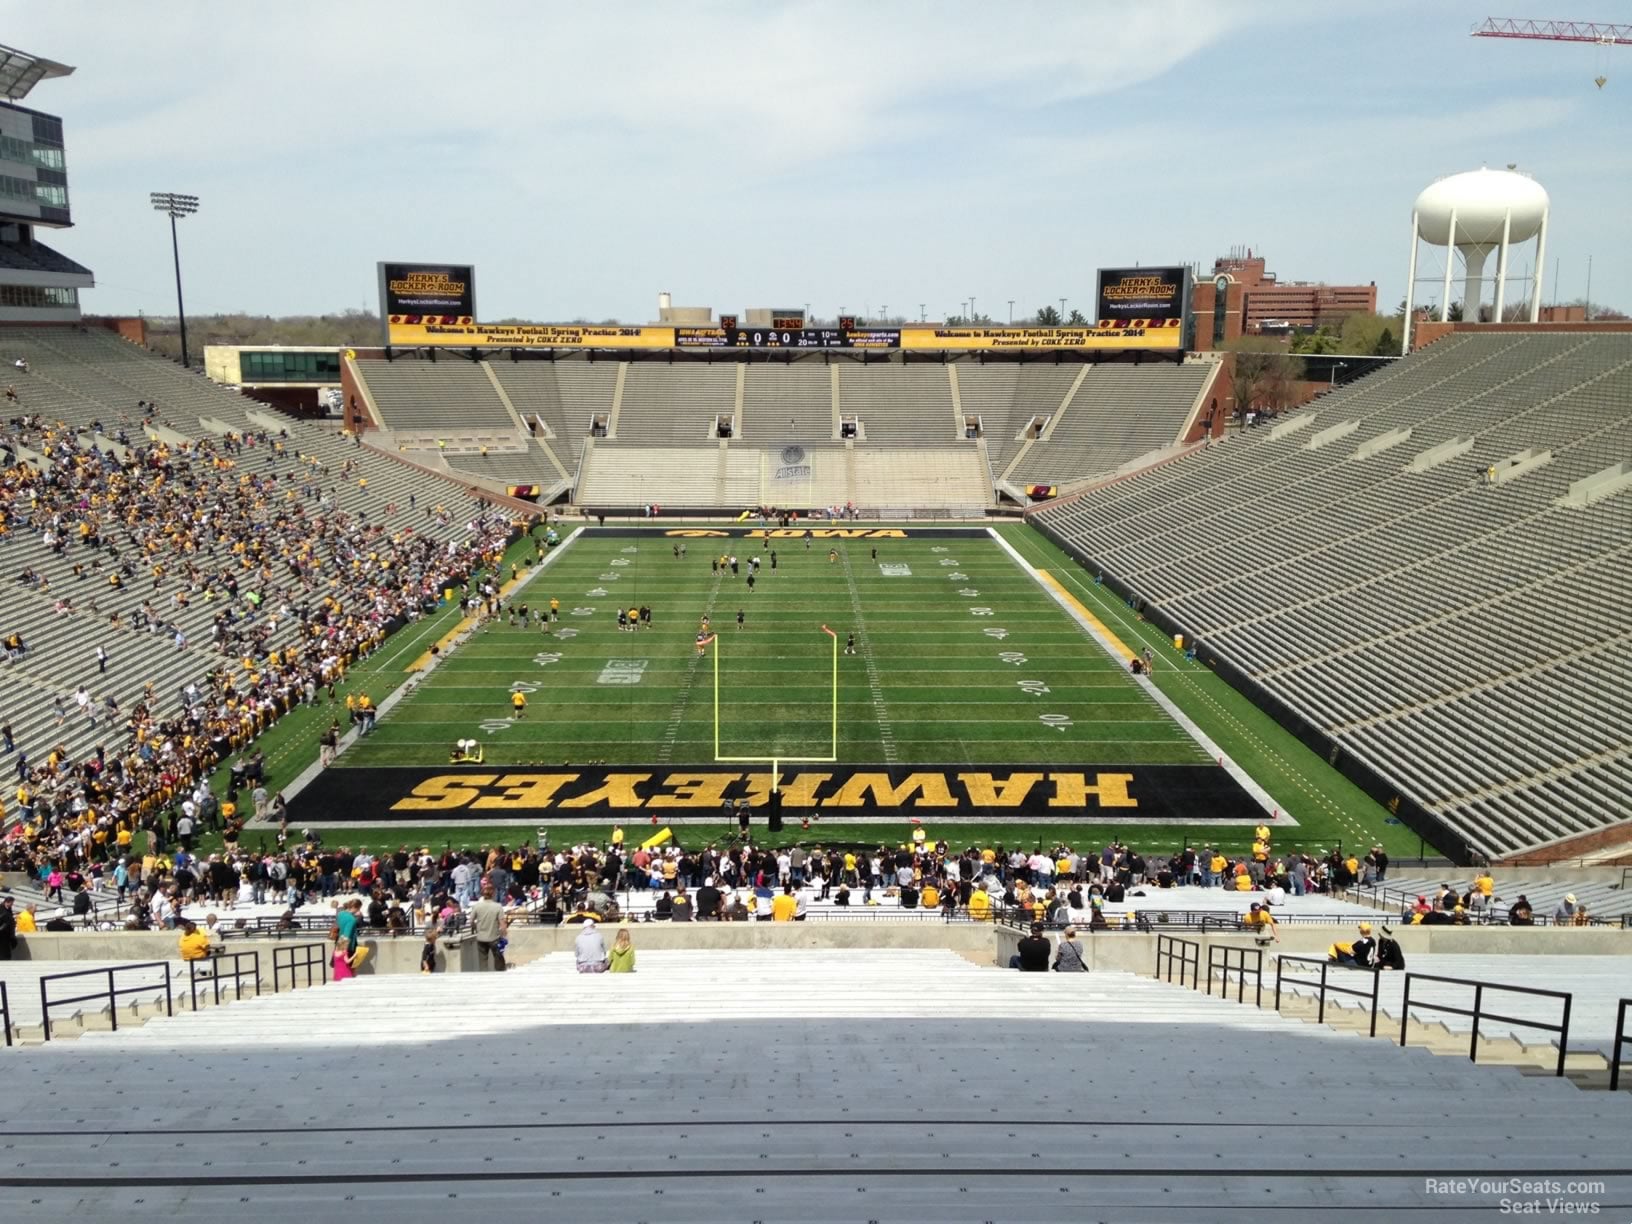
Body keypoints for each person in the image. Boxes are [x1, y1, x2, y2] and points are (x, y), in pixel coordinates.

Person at [470, 883, 508, 971]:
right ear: (493, 893)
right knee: (498, 959)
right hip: (494, 937)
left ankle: (484, 976)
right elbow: (502, 923)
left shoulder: (477, 906)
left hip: (481, 937)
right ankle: (500, 975)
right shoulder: (497, 906)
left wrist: (476, 928)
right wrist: (504, 934)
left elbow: (471, 921)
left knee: (482, 960)